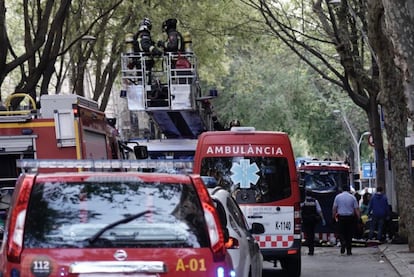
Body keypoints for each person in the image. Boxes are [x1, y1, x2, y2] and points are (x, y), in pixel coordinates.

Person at [132, 17, 162, 84]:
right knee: (147, 82)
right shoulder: (144, 34)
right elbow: (145, 46)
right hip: (145, 63)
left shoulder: (138, 35)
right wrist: (155, 50)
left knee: (142, 81)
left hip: (140, 63)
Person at [332, 184, 360, 255]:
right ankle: (349, 250)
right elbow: (356, 209)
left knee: (341, 232)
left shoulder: (338, 197)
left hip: (341, 217)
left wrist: (333, 217)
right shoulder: (352, 197)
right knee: (349, 234)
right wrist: (359, 218)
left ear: (342, 190)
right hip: (350, 218)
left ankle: (342, 242)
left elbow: (334, 208)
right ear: (349, 190)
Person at [301, 190, 326, 255]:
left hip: (306, 220)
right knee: (311, 234)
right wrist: (323, 219)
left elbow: (300, 210)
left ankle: (310, 248)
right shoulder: (315, 201)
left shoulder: (304, 201)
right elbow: (319, 211)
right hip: (313, 220)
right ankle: (311, 249)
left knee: (308, 234)